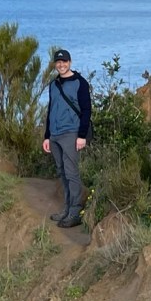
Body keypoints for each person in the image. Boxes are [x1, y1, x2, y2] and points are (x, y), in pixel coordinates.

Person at [42, 48, 92, 228]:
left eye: (64, 61)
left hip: (71, 133)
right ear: (55, 64)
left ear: (70, 62)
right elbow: (51, 110)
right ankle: (67, 208)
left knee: (71, 173)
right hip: (55, 135)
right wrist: (47, 136)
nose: (61, 65)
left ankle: (75, 212)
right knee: (62, 172)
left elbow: (86, 110)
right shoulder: (53, 84)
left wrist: (81, 136)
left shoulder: (80, 83)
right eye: (58, 62)